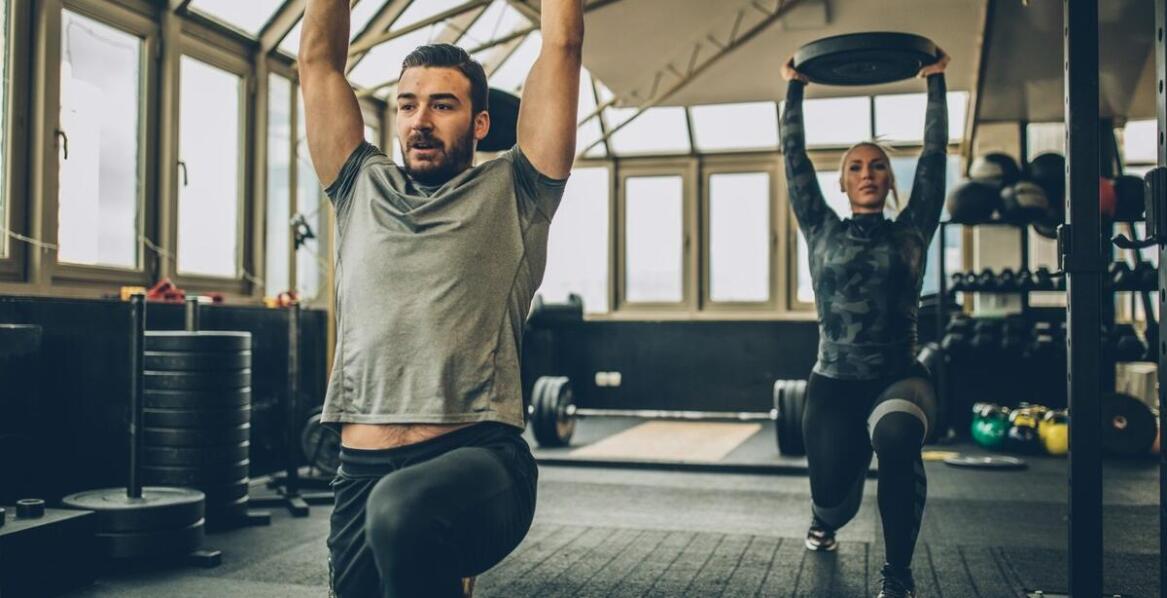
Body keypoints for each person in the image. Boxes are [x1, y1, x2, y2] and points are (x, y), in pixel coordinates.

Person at [297, 0, 583, 595]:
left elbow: (561, 46)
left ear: (480, 123)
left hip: (479, 459)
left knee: (405, 511)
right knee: (393, 522)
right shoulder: (358, 187)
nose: (420, 120)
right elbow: (317, 62)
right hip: (361, 474)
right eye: (408, 105)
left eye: (443, 105)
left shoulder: (517, 190)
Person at [780, 48, 950, 598]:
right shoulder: (820, 228)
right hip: (833, 381)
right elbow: (794, 159)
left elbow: (934, 157)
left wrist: (936, 83)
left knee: (897, 437)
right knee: (833, 494)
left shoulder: (913, 229)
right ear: (843, 183)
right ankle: (826, 520)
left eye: (877, 164)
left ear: (890, 179)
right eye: (855, 166)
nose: (868, 173)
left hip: (899, 373)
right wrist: (795, 88)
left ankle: (897, 575)